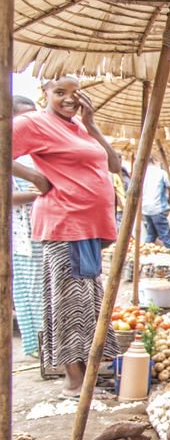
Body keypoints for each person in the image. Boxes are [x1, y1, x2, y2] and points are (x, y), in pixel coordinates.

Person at [12, 77, 121, 396]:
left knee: (88, 302)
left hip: (89, 228)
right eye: (60, 93)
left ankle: (85, 372)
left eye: (75, 94)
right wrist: (33, 175)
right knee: (68, 302)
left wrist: (93, 125)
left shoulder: (81, 127)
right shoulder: (33, 122)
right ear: (44, 94)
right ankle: (73, 380)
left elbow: (114, 165)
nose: (69, 100)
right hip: (64, 224)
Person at [11, 95, 44, 357]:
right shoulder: (9, 153)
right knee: (32, 291)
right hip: (23, 236)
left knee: (47, 290)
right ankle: (39, 347)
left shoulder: (37, 151)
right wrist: (37, 193)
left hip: (46, 229)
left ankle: (51, 347)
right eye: (25, 117)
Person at [140, 157, 170, 252]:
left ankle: (144, 251)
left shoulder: (142, 174)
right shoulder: (161, 173)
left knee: (151, 234)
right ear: (155, 161)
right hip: (157, 207)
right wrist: (169, 198)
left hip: (145, 208)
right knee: (164, 234)